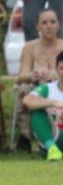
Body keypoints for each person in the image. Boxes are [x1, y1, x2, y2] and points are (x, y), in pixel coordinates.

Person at [15, 8, 63, 151]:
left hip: (60, 85)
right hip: (37, 88)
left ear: (59, 25)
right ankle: (26, 137)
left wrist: (55, 75)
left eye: (53, 22)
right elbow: (21, 75)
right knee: (26, 91)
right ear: (37, 26)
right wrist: (32, 75)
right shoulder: (30, 47)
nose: (49, 26)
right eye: (44, 22)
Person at [23, 50, 63, 160]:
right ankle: (52, 149)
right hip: (55, 136)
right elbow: (27, 100)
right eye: (62, 68)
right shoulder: (48, 89)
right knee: (37, 109)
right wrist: (54, 102)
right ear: (56, 70)